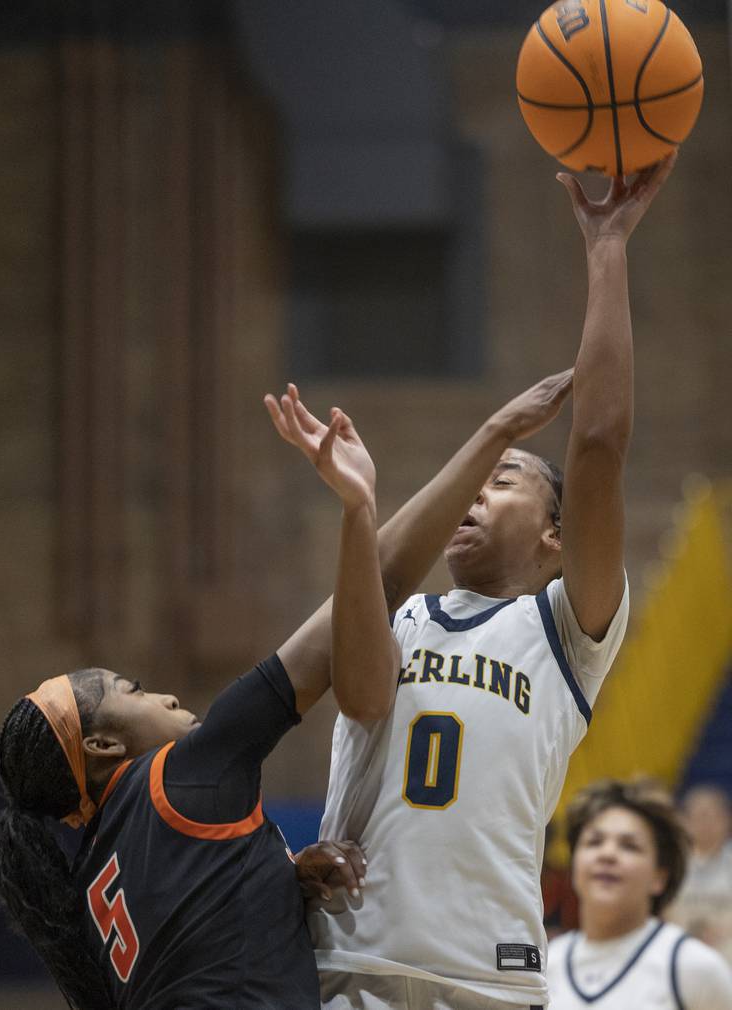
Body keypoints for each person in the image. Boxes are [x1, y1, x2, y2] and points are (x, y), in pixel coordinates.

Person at [267, 153, 678, 1010]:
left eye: (506, 480)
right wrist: (386, 493)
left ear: (556, 537)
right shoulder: (400, 615)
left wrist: (607, 247)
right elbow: (363, 679)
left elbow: (598, 447)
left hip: (490, 976)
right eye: (473, 482)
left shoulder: (566, 634)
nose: (477, 494)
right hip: (351, 964)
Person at [0, 408, 385, 1010]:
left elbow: (208, 945)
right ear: (102, 745)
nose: (166, 697)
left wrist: (282, 878)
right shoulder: (173, 779)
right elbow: (355, 614)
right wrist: (363, 502)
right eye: (134, 690)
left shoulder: (92, 887)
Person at [547, 778, 732, 1008]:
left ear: (659, 876)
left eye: (629, 846)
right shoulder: (547, 963)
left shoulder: (696, 969)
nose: (607, 854)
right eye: (594, 842)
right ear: (574, 863)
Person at [667, 783, 732, 961]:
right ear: (684, 821)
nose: (706, 824)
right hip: (680, 944)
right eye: (699, 816)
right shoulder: (671, 862)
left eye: (712, 816)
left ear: (727, 820)